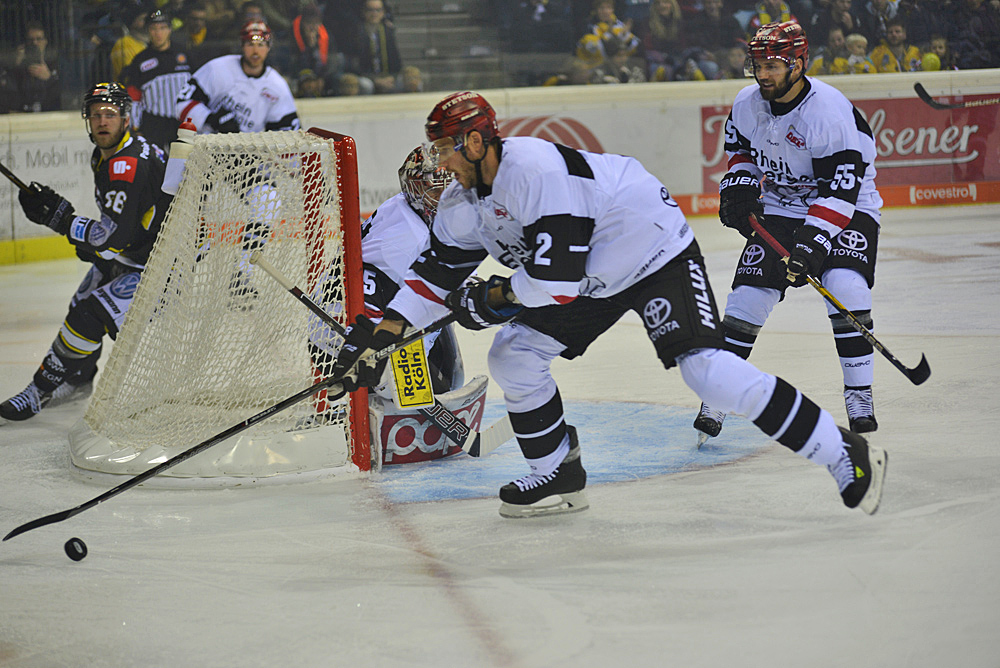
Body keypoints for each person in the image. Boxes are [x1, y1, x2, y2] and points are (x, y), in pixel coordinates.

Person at [328, 90, 889, 519]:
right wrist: (380, 334)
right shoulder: (459, 203)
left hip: (650, 249)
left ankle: (843, 451)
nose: (441, 163)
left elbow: (554, 281)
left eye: (446, 149)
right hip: (587, 276)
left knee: (707, 372)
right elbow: (432, 279)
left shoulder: (535, 173)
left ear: (475, 143)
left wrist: (492, 298)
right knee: (513, 355)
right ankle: (556, 473)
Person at [692, 21, 884, 450]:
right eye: (758, 65)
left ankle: (859, 394)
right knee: (746, 298)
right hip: (780, 205)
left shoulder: (827, 113)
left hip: (848, 206)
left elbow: (841, 191)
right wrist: (739, 186)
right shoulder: (746, 103)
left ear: (799, 64)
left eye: (773, 66)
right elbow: (740, 151)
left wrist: (813, 242)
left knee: (846, 287)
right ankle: (719, 393)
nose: (763, 74)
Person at [0, 83, 169, 422]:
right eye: (95, 114)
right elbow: (123, 231)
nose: (102, 121)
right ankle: (78, 381)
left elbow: (110, 240)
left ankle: (38, 391)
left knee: (87, 317)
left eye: (110, 114)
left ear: (125, 118)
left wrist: (62, 219)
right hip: (140, 252)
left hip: (164, 267)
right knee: (80, 302)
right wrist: (86, 241)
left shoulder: (126, 165)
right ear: (87, 120)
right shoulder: (107, 155)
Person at [176, 20, 299, 134]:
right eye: (250, 44)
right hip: (205, 144)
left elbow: (287, 132)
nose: (255, 51)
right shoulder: (217, 68)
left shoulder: (277, 86)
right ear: (242, 45)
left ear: (268, 47)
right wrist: (212, 119)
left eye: (261, 45)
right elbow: (182, 104)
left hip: (246, 149)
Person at [120, 9, 193, 153]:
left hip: (183, 122)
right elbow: (134, 96)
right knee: (155, 164)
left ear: (170, 30)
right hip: (153, 124)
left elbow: (197, 89)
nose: (158, 33)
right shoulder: (140, 60)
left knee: (183, 164)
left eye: (163, 28)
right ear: (148, 31)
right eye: (154, 28)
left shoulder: (185, 54)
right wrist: (135, 127)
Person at [11, 21, 61, 113]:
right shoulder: (19, 66)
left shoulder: (55, 63)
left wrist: (49, 78)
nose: (35, 43)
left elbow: (67, 94)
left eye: (39, 39)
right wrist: (17, 64)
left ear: (45, 41)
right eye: (31, 40)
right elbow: (9, 93)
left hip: (49, 114)